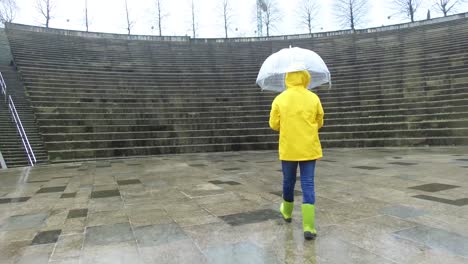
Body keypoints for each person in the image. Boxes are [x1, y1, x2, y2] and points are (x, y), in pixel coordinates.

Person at [269, 70, 324, 240]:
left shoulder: (280, 99)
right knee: (308, 183)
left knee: (288, 180)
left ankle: (287, 211)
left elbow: (273, 124)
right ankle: (309, 226)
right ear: (305, 78)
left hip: (289, 148)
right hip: (309, 147)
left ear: (287, 79)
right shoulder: (313, 97)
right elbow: (320, 120)